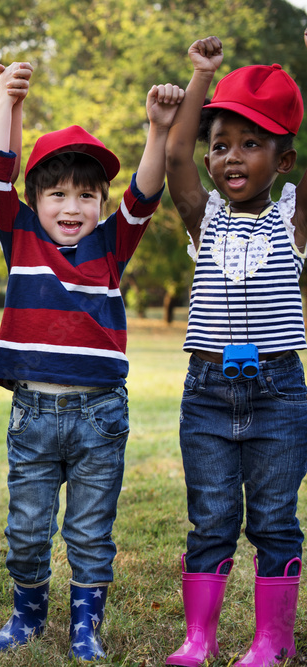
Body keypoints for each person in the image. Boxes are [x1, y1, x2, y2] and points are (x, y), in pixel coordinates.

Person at [0, 61, 183, 660]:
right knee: (26, 532)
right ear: (35, 200)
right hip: (33, 415)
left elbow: (146, 192)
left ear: (100, 202)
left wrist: (157, 128)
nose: (72, 206)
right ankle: (26, 617)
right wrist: (6, 102)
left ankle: (85, 627)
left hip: (99, 417)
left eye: (86, 195)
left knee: (91, 532)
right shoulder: (20, 235)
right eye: (57, 194)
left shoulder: (111, 244)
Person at [163, 36, 307, 667]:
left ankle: (271, 641)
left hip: (278, 396)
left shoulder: (292, 221)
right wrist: (201, 77)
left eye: (251, 144)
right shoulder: (205, 218)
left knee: (275, 521)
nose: (230, 157)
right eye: (221, 144)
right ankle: (200, 639)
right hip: (208, 394)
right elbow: (174, 155)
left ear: (283, 161)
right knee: (211, 520)